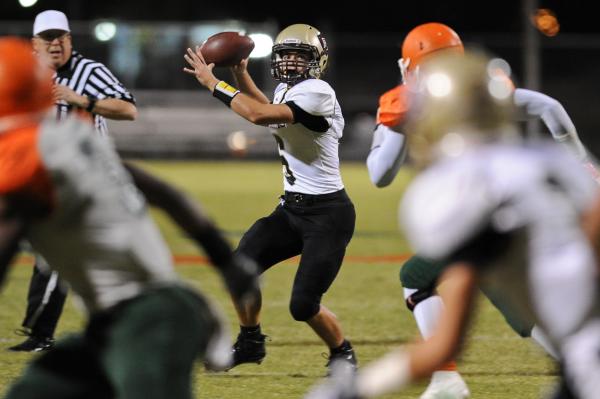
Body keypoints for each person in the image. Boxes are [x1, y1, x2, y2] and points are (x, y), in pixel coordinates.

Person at [306, 50, 600, 399]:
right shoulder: (552, 162)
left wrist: (355, 389)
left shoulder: (457, 190)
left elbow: (445, 344)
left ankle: (450, 383)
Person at [0, 37, 259, 399]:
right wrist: (224, 259)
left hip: (152, 318)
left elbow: (8, 235)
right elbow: (164, 193)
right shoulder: (71, 133)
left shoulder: (31, 156)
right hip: (113, 324)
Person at [184, 23, 357, 371]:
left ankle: (343, 352)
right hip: (292, 209)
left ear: (317, 60)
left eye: (300, 55)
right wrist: (239, 74)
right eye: (286, 55)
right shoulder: (287, 90)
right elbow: (268, 111)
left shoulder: (318, 92)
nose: (291, 62)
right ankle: (250, 342)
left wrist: (213, 83)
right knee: (238, 269)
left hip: (328, 215)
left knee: (303, 305)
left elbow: (259, 115)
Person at [9, 9, 137, 352]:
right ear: (34, 44)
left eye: (61, 38)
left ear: (70, 40)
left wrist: (82, 99)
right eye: (47, 39)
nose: (55, 44)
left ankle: (42, 333)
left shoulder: (88, 71)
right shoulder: (27, 74)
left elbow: (128, 109)